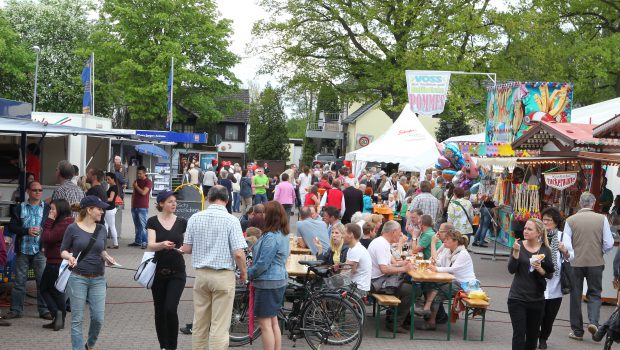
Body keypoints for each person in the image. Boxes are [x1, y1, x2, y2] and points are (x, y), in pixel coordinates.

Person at [180, 185, 247, 350]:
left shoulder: (195, 218)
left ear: (208, 199)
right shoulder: (232, 220)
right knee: (219, 324)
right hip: (223, 276)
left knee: (200, 321)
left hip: (201, 275)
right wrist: (244, 273)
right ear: (227, 200)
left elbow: (186, 248)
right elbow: (238, 254)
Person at [60, 196, 116, 350]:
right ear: (89, 210)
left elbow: (101, 250)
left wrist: (107, 257)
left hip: (98, 278)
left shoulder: (102, 229)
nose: (102, 211)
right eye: (99, 208)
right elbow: (63, 250)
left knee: (98, 318)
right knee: (77, 319)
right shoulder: (72, 228)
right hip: (78, 278)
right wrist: (70, 257)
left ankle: (90, 345)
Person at [565, 192, 614, 341]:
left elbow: (567, 245)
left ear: (580, 203)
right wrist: (601, 252)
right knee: (594, 293)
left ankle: (577, 331)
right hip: (595, 262)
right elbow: (609, 243)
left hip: (575, 263)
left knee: (575, 295)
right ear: (593, 204)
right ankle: (594, 322)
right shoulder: (602, 219)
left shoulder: (570, 220)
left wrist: (573, 255)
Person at [3, 181, 51, 321]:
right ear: (28, 192)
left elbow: (51, 225)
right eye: (35, 190)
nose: (38, 192)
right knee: (19, 282)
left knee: (42, 281)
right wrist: (26, 231)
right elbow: (12, 226)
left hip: (39, 250)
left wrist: (45, 235)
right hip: (23, 249)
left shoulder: (47, 208)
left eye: (40, 190)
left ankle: (44, 310)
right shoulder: (20, 207)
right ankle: (16, 310)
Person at [147, 190, 188, 350]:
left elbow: (187, 245)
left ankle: (172, 346)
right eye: (170, 201)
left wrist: (184, 249)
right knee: (160, 310)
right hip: (158, 271)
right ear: (161, 203)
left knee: (170, 308)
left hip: (177, 272)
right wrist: (161, 245)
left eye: (175, 201)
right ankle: (163, 346)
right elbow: (150, 245)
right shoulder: (152, 221)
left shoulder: (182, 222)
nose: (174, 204)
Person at [248, 201, 291, 350]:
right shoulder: (283, 234)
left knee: (265, 324)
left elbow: (262, 264)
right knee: (273, 322)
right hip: (278, 280)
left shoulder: (271, 236)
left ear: (270, 215)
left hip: (268, 282)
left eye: (265, 212)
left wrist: (248, 274)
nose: (262, 214)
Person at [507, 218, 554, 350]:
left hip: (537, 299)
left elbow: (549, 274)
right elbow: (511, 270)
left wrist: (540, 269)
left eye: (529, 229)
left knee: (533, 337)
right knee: (519, 334)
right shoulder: (518, 245)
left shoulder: (545, 250)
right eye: (525, 228)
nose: (525, 231)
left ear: (538, 232)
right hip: (517, 298)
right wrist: (515, 253)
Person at [419, 229, 477, 331]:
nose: (444, 241)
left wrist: (436, 268)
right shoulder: (448, 250)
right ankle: (427, 310)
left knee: (435, 291)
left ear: (455, 241)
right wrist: (434, 264)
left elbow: (453, 269)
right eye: (444, 239)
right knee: (430, 284)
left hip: (463, 284)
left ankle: (430, 319)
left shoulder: (463, 253)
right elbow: (440, 263)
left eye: (447, 239)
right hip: (450, 280)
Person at [538, 207, 574, 349]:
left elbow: (571, 256)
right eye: (544, 219)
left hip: (555, 283)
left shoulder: (562, 236)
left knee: (549, 316)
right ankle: (535, 335)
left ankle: (543, 338)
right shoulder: (538, 234)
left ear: (555, 222)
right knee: (537, 313)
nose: (545, 222)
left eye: (549, 220)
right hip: (538, 280)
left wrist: (564, 250)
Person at [368, 220, 413, 333]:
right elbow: (384, 269)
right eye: (399, 233)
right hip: (375, 283)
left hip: (376, 279)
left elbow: (388, 264)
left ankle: (398, 317)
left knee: (407, 286)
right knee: (411, 290)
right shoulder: (381, 244)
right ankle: (395, 323)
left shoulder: (381, 242)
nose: (400, 235)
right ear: (393, 232)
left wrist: (400, 264)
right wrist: (404, 269)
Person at [40, 198, 74, 331]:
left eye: (53, 209)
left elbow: (48, 237)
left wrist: (49, 220)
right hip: (56, 261)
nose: (51, 212)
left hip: (56, 262)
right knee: (56, 290)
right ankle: (58, 319)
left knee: (46, 289)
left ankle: (57, 313)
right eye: (50, 209)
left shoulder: (64, 224)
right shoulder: (66, 222)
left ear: (60, 209)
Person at [343, 223, 372, 294]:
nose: (342, 236)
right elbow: (346, 267)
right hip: (354, 285)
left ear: (351, 235)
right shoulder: (352, 248)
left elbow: (349, 270)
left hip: (358, 288)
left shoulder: (356, 249)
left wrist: (335, 279)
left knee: (327, 291)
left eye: (344, 233)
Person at [130, 166, 152, 248]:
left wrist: (136, 186)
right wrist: (132, 205)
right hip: (135, 207)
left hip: (143, 207)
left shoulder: (148, 182)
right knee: (137, 225)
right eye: (138, 173)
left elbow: (143, 193)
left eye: (140, 173)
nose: (138, 175)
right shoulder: (136, 181)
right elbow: (134, 194)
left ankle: (144, 242)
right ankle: (137, 241)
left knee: (143, 226)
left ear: (145, 173)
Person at [103, 172, 120, 249]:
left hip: (109, 209)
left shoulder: (113, 188)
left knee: (111, 226)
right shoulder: (113, 187)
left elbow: (111, 199)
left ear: (113, 179)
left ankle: (115, 243)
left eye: (109, 179)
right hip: (110, 209)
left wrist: (102, 199)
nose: (107, 181)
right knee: (107, 226)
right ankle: (105, 243)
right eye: (106, 179)